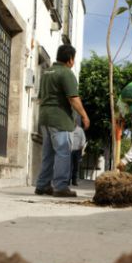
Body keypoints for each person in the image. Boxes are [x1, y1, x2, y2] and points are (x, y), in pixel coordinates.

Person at [35, 44, 90, 197]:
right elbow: (73, 98)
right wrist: (84, 116)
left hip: (45, 118)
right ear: (70, 59)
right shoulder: (66, 73)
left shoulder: (46, 73)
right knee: (63, 153)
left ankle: (42, 185)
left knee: (48, 154)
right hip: (59, 119)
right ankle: (60, 187)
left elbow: (40, 98)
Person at [70, 113, 86, 186]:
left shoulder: (80, 130)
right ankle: (67, 180)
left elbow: (83, 139)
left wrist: (81, 146)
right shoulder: (69, 129)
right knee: (68, 166)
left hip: (77, 150)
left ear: (76, 122)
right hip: (69, 150)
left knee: (76, 167)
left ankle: (74, 181)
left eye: (74, 121)